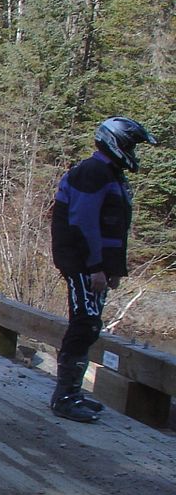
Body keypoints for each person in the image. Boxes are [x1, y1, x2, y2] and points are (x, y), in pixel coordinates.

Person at [48, 116, 157, 422]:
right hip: (81, 261)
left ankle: (73, 393)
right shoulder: (93, 172)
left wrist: (114, 268)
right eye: (130, 144)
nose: (133, 150)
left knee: (90, 324)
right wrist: (96, 266)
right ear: (116, 142)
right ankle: (64, 397)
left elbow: (113, 228)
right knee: (85, 324)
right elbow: (84, 223)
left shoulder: (111, 174)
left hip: (94, 264)